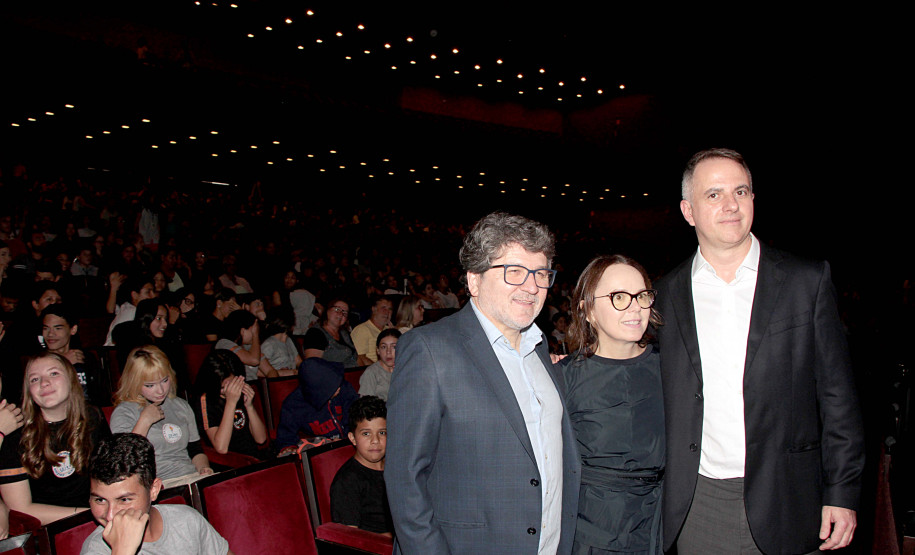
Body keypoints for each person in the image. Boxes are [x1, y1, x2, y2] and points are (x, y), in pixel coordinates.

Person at [656, 148, 864, 554]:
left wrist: (841, 491)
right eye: (713, 194)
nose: (731, 205)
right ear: (688, 211)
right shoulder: (666, 295)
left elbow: (838, 398)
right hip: (699, 504)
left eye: (741, 191)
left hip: (791, 498)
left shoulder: (807, 280)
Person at [385, 211, 580, 554]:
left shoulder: (539, 349)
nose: (532, 287)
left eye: (541, 274)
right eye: (514, 271)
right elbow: (405, 481)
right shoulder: (429, 349)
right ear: (474, 281)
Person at [562, 255, 665, 554]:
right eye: (619, 297)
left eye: (642, 295)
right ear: (588, 310)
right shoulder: (561, 379)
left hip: (661, 525)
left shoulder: (674, 369)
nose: (635, 306)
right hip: (590, 530)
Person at [0, 353, 111, 526]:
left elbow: (111, 475)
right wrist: (87, 516)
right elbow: (20, 509)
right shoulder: (16, 434)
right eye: (34, 379)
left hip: (99, 517)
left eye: (53, 374)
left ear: (72, 380)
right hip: (48, 532)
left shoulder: (92, 417)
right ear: (28, 391)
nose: (44, 383)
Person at [80, 433, 232, 555]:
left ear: (154, 490)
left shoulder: (186, 520)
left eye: (124, 499)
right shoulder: (96, 549)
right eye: (100, 500)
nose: (110, 515)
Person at [109, 346, 213, 485]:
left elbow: (195, 450)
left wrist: (203, 468)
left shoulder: (180, 405)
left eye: (164, 380)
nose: (160, 390)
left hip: (191, 476)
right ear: (135, 382)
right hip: (158, 484)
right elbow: (124, 460)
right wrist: (145, 421)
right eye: (150, 385)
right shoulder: (125, 411)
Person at [330, 395, 393, 536]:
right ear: (353, 438)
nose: (375, 440)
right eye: (366, 434)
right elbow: (350, 539)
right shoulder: (347, 481)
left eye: (382, 433)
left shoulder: (396, 467)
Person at [194, 350, 268, 458]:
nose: (229, 390)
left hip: (252, 457)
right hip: (230, 462)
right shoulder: (205, 400)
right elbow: (221, 448)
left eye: (233, 384)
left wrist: (249, 406)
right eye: (223, 387)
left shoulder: (241, 390)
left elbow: (261, 439)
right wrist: (231, 403)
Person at [275, 358, 358, 454]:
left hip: (351, 442)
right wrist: (288, 448)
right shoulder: (294, 405)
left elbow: (356, 416)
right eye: (333, 387)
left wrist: (347, 438)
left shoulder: (344, 387)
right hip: (321, 449)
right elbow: (285, 436)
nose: (338, 388)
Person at [215, 310, 279, 380]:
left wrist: (271, 386)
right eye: (253, 330)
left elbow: (270, 371)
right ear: (242, 331)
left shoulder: (249, 347)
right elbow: (254, 360)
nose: (257, 332)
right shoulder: (224, 344)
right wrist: (255, 335)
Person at [302, 297, 359, 368]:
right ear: (327, 311)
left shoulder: (345, 334)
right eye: (337, 309)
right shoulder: (315, 334)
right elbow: (312, 366)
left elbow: (356, 358)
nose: (341, 314)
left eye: (345, 312)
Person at [350, 295, 393, 366]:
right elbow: (360, 358)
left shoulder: (389, 330)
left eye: (390, 309)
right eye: (383, 308)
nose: (387, 312)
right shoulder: (363, 329)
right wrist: (380, 370)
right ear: (374, 309)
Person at [358, 329, 399, 401]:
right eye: (384, 347)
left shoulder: (406, 369)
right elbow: (366, 406)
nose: (388, 352)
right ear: (378, 351)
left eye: (394, 347)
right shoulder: (371, 373)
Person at [260, 307, 302, 375]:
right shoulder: (269, 344)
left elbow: (298, 361)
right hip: (278, 381)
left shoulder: (289, 340)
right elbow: (261, 369)